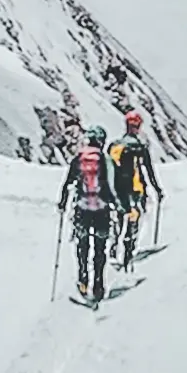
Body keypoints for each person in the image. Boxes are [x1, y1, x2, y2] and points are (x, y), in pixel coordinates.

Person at [57, 124, 119, 303]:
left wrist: (62, 203)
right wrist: (115, 204)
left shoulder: (79, 158)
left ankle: (83, 279)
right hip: (101, 210)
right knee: (100, 249)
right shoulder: (105, 159)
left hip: (81, 209)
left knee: (82, 246)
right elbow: (110, 185)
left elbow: (68, 183)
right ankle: (98, 284)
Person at [109, 109, 163, 270]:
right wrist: (157, 189)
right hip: (135, 189)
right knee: (134, 219)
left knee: (119, 217)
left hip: (117, 191)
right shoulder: (139, 147)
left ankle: (113, 248)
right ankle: (128, 252)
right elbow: (148, 170)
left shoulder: (115, 145)